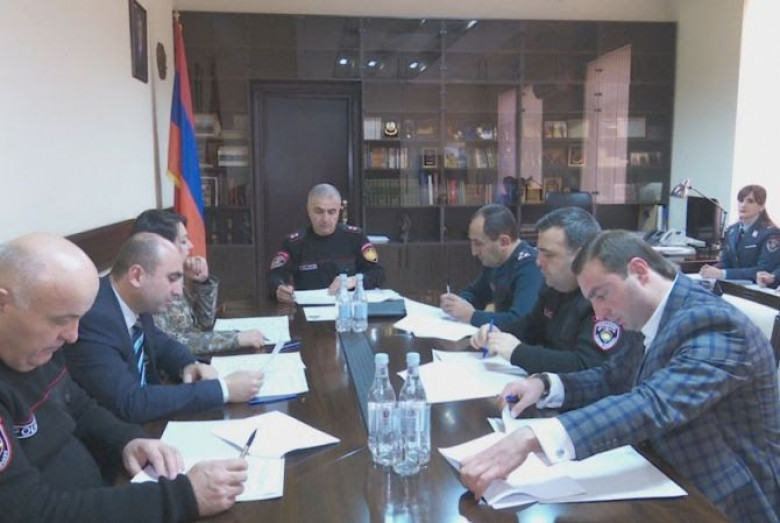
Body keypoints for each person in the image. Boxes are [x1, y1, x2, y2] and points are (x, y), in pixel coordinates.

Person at [460, 231, 780, 523]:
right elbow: (613, 377)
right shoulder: (647, 314)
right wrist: (545, 385)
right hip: (662, 474)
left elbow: (654, 403)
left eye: (601, 295)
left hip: (722, 501)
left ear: (639, 271)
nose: (599, 314)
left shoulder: (714, 322)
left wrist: (533, 437)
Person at [0, 233, 248, 522]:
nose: (73, 336)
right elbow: (29, 513)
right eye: (61, 320)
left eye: (77, 318)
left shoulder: (35, 349)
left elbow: (79, 406)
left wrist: (126, 441)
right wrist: (182, 497)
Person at [64, 233, 264, 424]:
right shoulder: (94, 319)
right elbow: (130, 403)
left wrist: (188, 364)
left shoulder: (133, 300)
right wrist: (223, 390)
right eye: (172, 278)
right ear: (137, 276)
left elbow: (161, 343)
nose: (179, 292)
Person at [469, 207, 639, 373]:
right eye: (538, 251)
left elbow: (586, 365)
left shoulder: (602, 299)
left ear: (581, 257)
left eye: (548, 254)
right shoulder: (554, 286)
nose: (538, 262)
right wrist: (497, 334)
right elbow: (530, 328)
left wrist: (517, 352)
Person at [131, 209, 266, 354]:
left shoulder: (172, 275)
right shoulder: (147, 285)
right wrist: (234, 339)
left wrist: (203, 282)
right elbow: (169, 343)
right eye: (183, 241)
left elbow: (204, 323)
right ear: (162, 246)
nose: (191, 246)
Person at [266, 183, 385, 302]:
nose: (325, 219)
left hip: (347, 306)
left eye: (332, 212)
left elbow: (378, 273)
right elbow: (275, 275)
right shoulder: (295, 243)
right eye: (319, 211)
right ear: (308, 210)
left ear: (339, 211)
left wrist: (353, 281)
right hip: (309, 308)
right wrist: (279, 288)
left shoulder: (355, 237)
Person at [440, 204, 543, 329]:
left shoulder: (531, 267)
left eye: (478, 243)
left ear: (504, 242)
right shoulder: (495, 260)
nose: (474, 252)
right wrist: (457, 304)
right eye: (472, 241)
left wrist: (471, 316)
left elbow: (520, 322)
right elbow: (476, 293)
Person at [700, 184, 780, 282]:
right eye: (741, 200)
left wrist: (723, 273)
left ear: (761, 207)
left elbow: (763, 270)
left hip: (756, 287)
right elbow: (726, 263)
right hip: (733, 284)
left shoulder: (771, 233)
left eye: (750, 201)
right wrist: (711, 269)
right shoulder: (732, 230)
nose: (743, 205)